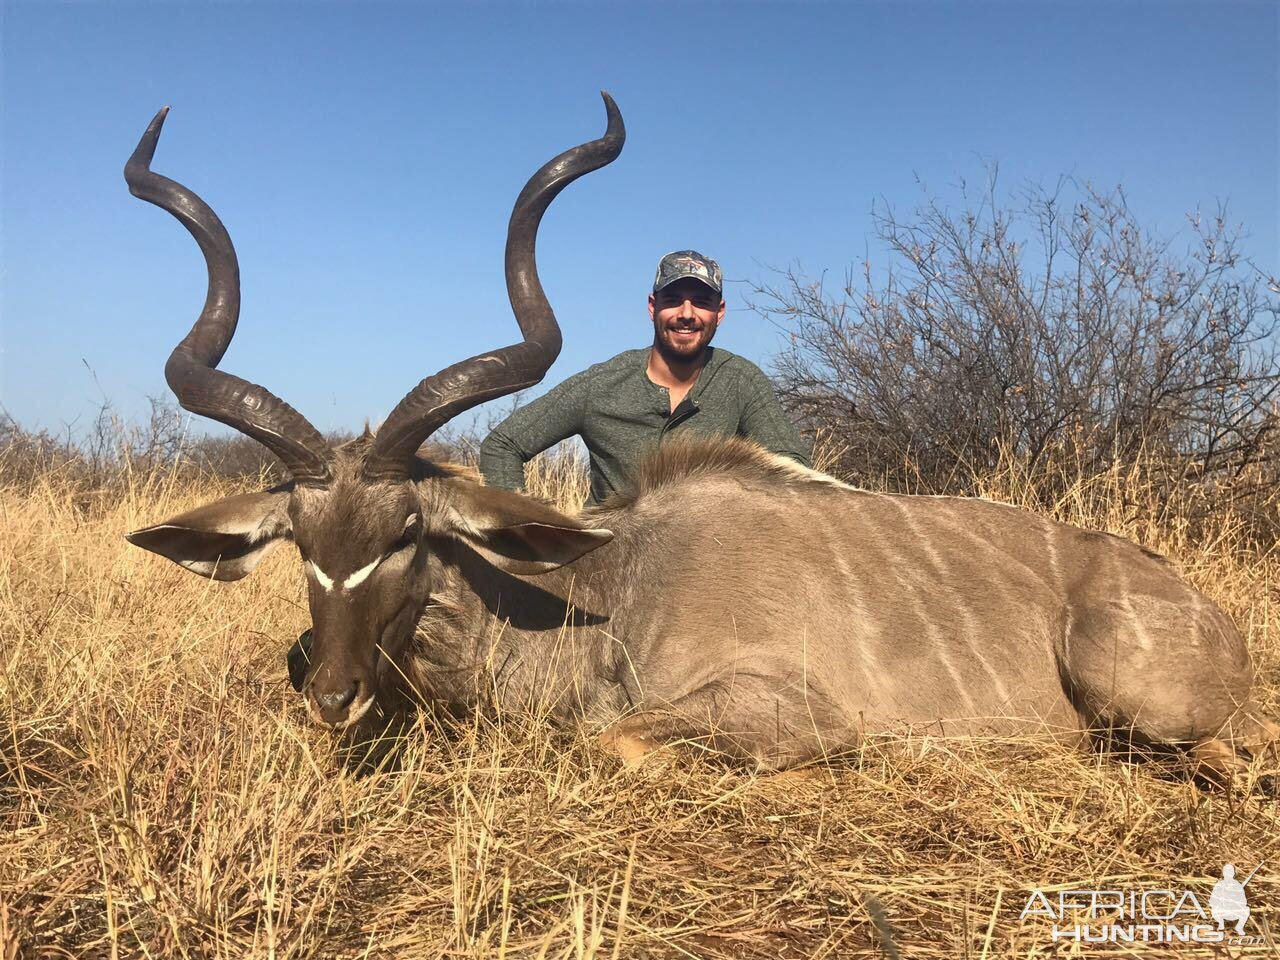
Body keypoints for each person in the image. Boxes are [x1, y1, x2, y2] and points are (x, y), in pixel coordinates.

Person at [479, 250, 810, 505]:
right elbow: (503, 445)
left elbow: (795, 471)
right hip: (604, 570)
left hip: (707, 564)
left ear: (719, 313)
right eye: (673, 301)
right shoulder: (602, 384)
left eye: (701, 302)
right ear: (653, 307)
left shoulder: (740, 381)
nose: (686, 314)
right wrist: (523, 533)